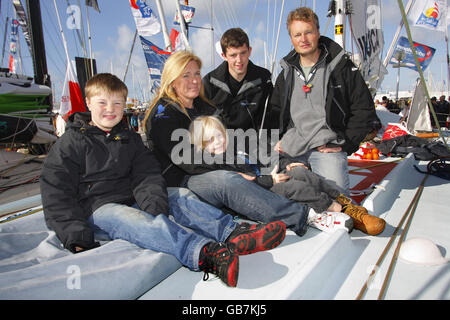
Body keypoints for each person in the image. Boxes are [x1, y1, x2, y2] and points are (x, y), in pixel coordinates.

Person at [40, 73, 287, 288]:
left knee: (182, 196)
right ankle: (204, 253)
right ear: (88, 103)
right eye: (102, 102)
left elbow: (147, 175)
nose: (110, 109)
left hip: (132, 198)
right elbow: (56, 191)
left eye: (117, 103)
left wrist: (156, 208)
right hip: (97, 208)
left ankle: (233, 233)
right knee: (132, 219)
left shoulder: (129, 139)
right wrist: (75, 235)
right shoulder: (70, 144)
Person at [144, 50, 349, 237]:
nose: (194, 80)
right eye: (185, 75)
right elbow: (187, 159)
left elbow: (238, 140)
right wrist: (237, 171)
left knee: (287, 171)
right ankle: (304, 216)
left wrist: (282, 161)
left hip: (221, 166)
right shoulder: (163, 115)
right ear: (172, 81)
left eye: (197, 74)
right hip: (184, 179)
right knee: (229, 181)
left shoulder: (205, 107)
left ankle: (338, 203)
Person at [188, 115, 386, 235]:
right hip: (261, 188)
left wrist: (287, 163)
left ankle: (347, 204)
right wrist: (269, 179)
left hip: (270, 176)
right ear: (201, 145)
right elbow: (240, 184)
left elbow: (267, 158)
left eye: (220, 136)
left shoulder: (238, 150)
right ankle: (333, 208)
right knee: (294, 187)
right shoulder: (216, 164)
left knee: (301, 173)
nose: (218, 142)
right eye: (210, 140)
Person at [269, 7, 381, 197]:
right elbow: (275, 111)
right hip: (292, 148)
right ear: (291, 39)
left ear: (318, 33)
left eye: (308, 32)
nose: (303, 39)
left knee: (337, 198)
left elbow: (363, 108)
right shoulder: (286, 73)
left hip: (326, 148)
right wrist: (276, 142)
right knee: (279, 195)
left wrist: (347, 142)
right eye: (297, 34)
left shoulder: (341, 67)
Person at [202, 28, 274, 131]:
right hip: (221, 144)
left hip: (255, 144)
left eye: (243, 53)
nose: (239, 60)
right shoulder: (209, 83)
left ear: (250, 51)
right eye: (233, 55)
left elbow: (272, 117)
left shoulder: (264, 79)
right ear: (224, 56)